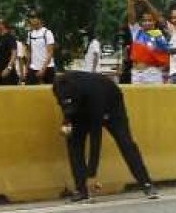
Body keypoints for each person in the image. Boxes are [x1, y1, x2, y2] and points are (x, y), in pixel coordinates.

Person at [52, 70, 159, 202]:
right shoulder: (58, 87)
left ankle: (146, 184)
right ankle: (81, 190)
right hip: (81, 109)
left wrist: (92, 168)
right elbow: (66, 107)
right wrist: (67, 122)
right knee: (73, 142)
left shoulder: (93, 90)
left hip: (109, 106)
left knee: (125, 143)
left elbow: (96, 133)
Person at [123, 0, 170, 86]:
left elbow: (158, 17)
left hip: (153, 73)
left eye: (150, 20)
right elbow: (131, 14)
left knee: (155, 101)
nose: (147, 23)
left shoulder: (157, 34)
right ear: (141, 23)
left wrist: (145, 1)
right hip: (136, 74)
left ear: (154, 22)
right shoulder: (137, 32)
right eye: (144, 20)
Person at [24, 12, 56, 85]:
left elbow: (50, 52)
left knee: (50, 92)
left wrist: (43, 69)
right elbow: (29, 52)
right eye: (30, 18)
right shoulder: (30, 34)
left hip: (47, 67)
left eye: (33, 17)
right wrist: (26, 67)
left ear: (40, 19)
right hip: (34, 67)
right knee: (29, 91)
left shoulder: (47, 33)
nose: (31, 20)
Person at [0, 17, 21, 85]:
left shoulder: (10, 38)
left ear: (2, 25)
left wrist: (8, 68)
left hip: (7, 72)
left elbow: (14, 53)